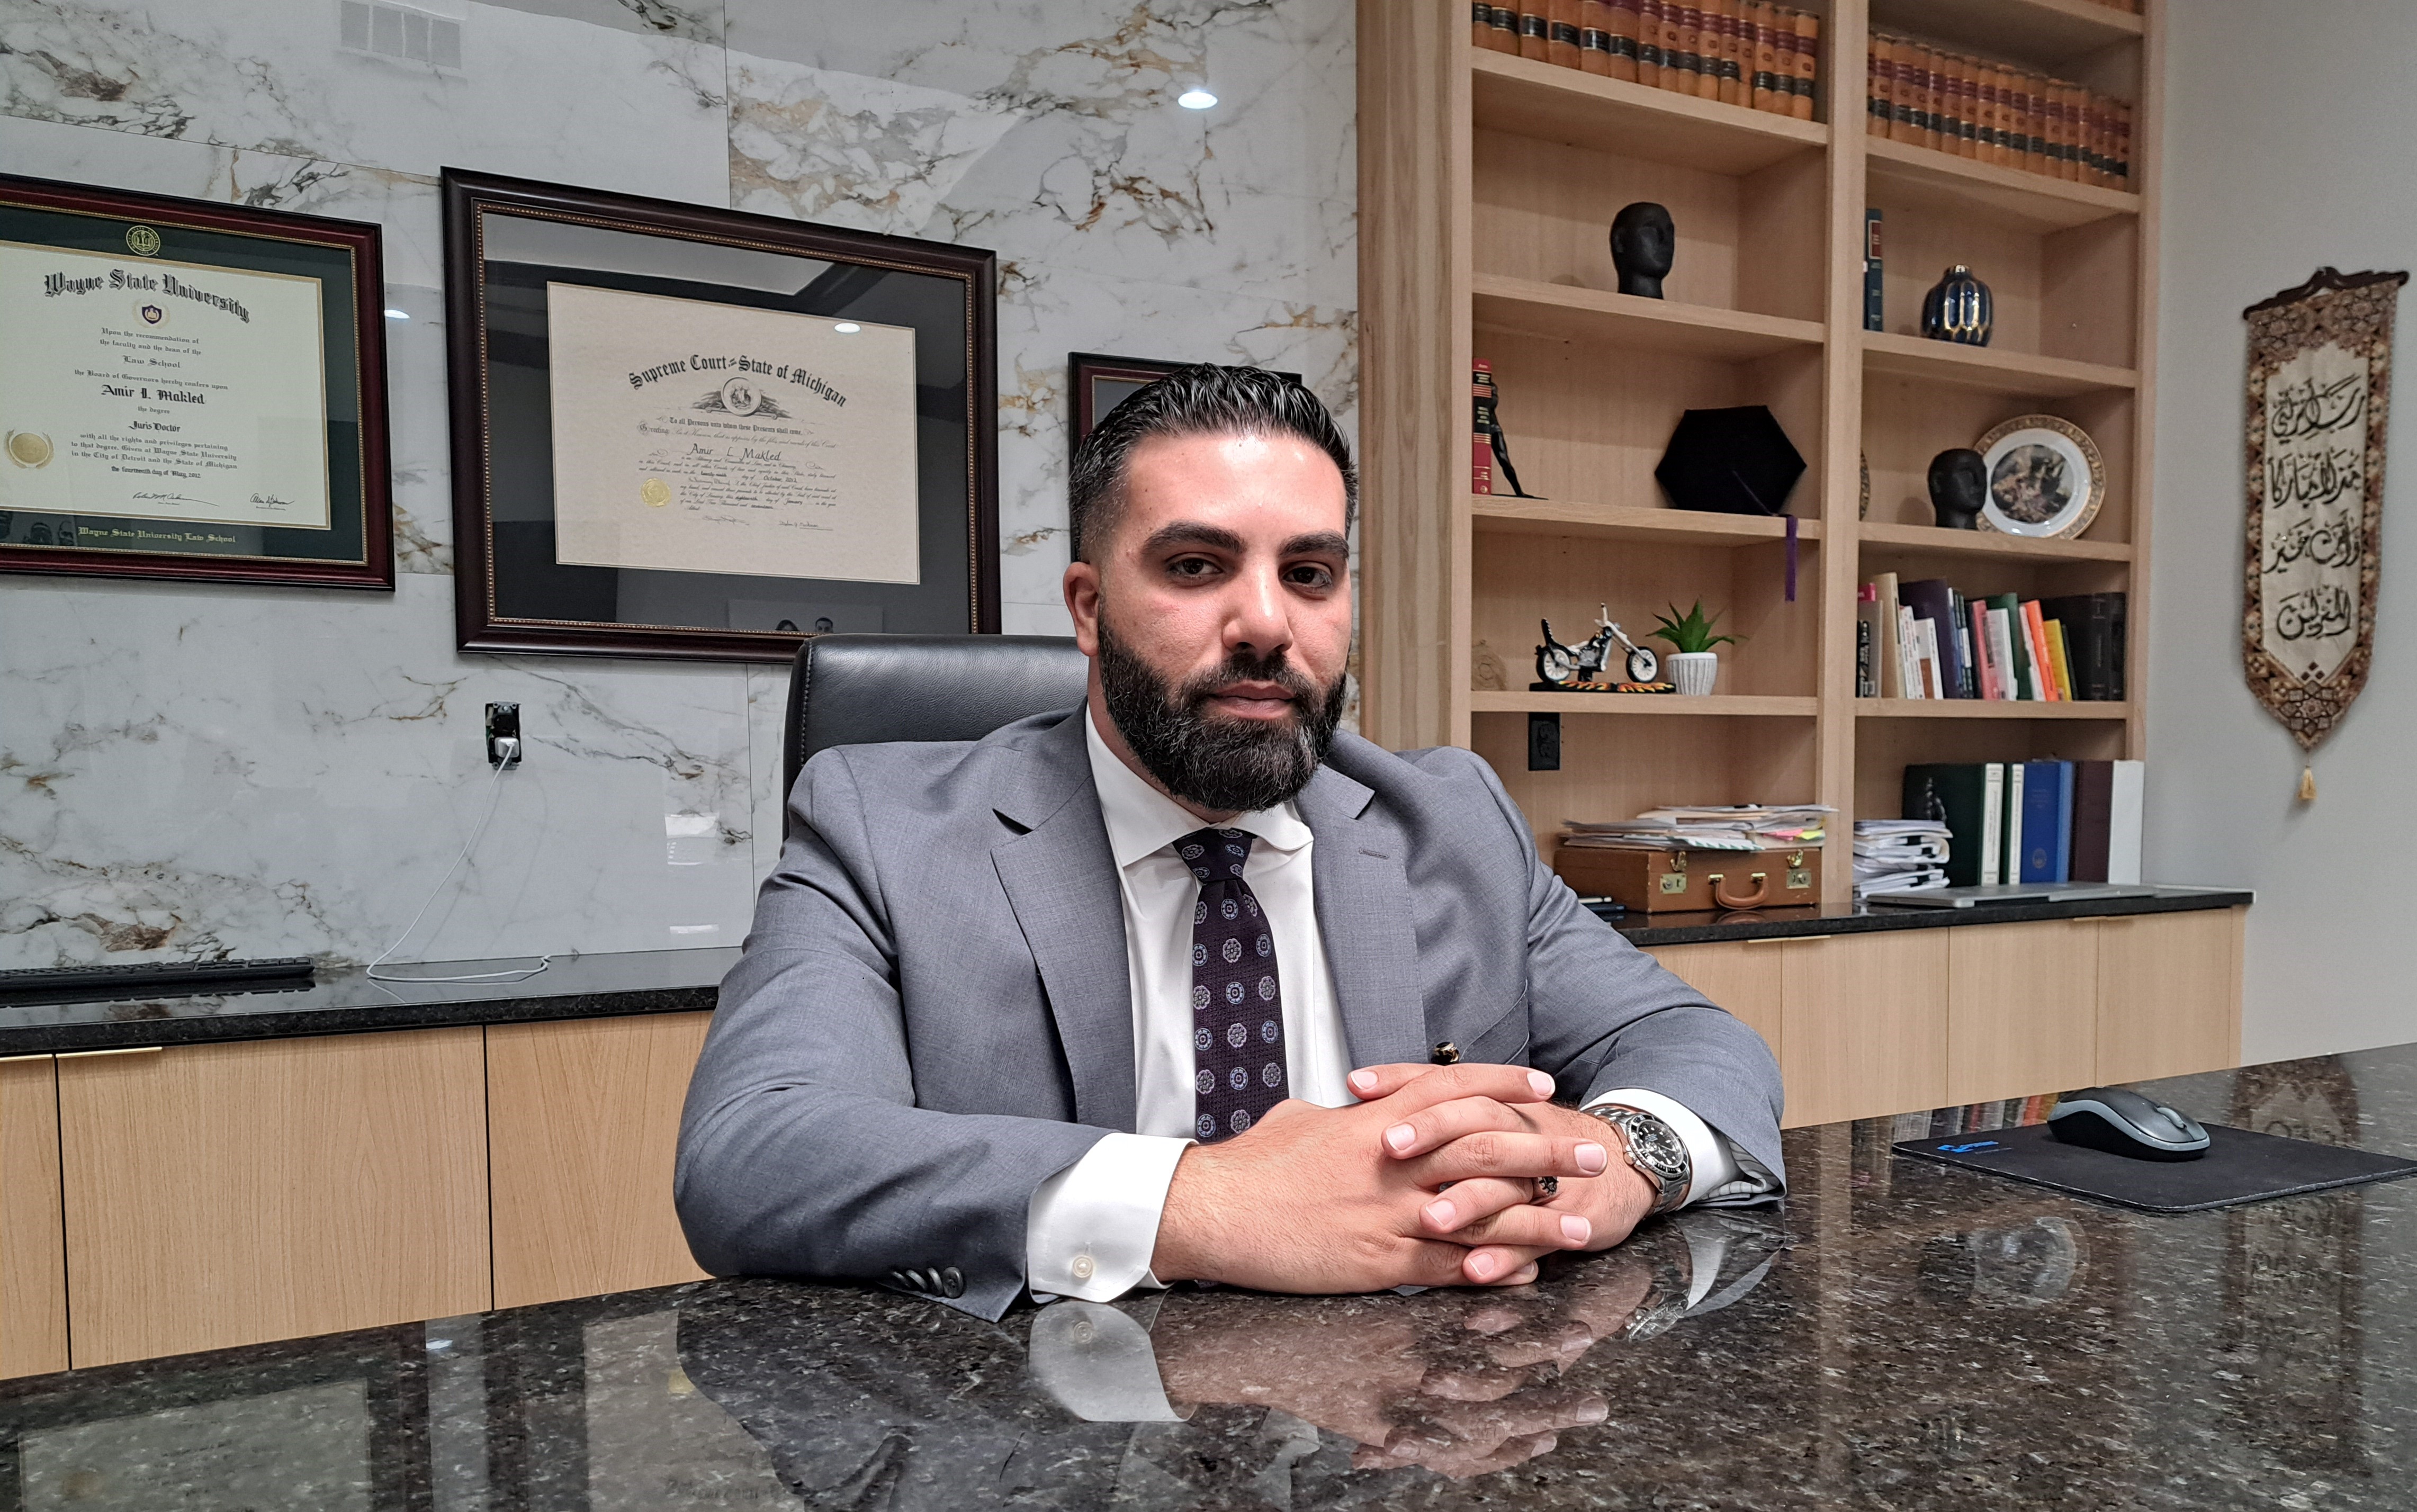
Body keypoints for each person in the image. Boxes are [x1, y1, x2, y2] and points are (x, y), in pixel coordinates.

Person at [676, 365, 1784, 1322]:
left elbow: (1696, 1043)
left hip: (1417, 1437)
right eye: (1197, 566)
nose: (1266, 624)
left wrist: (1621, 1160)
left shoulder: (1448, 818)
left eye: (1310, 574)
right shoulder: (881, 826)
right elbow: (756, 1152)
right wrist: (1201, 1203)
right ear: (1088, 605)